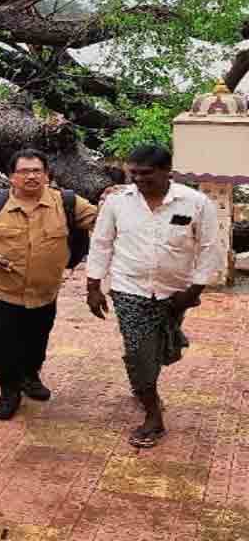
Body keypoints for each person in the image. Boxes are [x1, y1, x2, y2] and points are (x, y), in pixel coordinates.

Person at [85, 144, 221, 448]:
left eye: (146, 173)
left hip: (175, 294)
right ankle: (152, 415)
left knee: (159, 350)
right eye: (133, 173)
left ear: (167, 171)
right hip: (128, 289)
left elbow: (210, 248)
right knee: (138, 351)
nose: (138, 179)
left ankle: (145, 382)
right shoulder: (118, 202)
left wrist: (193, 291)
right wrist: (93, 287)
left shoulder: (195, 203)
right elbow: (102, 243)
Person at [0, 149, 97, 420]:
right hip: (1, 292)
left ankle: (30, 377)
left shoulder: (67, 202)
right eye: (24, 171)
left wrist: (117, 199)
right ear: (12, 176)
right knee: (3, 343)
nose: (31, 176)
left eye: (37, 171)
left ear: (47, 175)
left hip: (45, 292)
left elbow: (103, 220)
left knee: (37, 340)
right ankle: (8, 391)